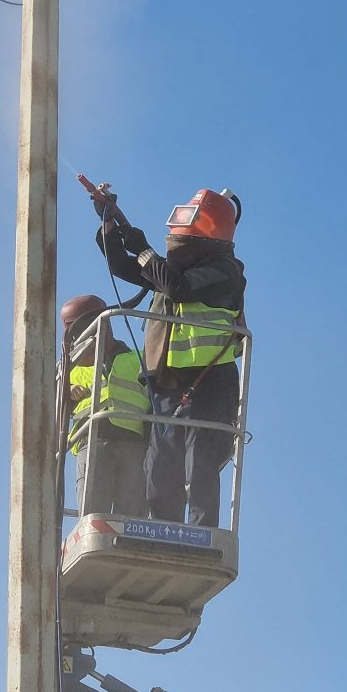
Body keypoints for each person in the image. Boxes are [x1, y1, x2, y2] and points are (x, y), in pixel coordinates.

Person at [92, 187, 246, 527]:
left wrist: (144, 250)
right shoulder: (173, 270)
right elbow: (123, 267)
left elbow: (180, 288)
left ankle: (200, 532)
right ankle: (164, 529)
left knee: (200, 458)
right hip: (169, 381)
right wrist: (110, 226)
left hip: (209, 380)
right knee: (161, 462)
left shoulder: (226, 272)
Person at [61, 294, 151, 518]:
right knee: (94, 516)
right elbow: (48, 405)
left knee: (131, 520)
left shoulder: (139, 359)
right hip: (92, 442)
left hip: (133, 442)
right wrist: (66, 391)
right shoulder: (70, 370)